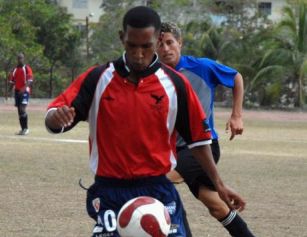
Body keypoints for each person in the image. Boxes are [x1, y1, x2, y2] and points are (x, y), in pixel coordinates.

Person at [45, 6, 245, 237]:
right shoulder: (97, 78)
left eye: (146, 46)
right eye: (132, 46)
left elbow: (199, 140)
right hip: (110, 191)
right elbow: (55, 118)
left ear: (157, 39)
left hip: (159, 189)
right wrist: (56, 118)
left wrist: (219, 184)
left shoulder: (176, 84)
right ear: (122, 38)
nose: (139, 54)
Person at [157, 22, 255, 237]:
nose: (165, 49)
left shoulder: (201, 67)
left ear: (180, 43)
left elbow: (236, 77)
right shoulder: (154, 76)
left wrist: (236, 115)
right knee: (217, 207)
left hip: (203, 147)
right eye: (159, 44)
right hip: (173, 150)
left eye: (169, 42)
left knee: (158, 183)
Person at [8, 53, 33, 135]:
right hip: (17, 91)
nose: (20, 60)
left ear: (24, 59)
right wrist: (8, 91)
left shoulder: (27, 68)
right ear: (17, 59)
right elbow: (12, 82)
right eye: (19, 58)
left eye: (21, 58)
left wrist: (24, 89)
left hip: (25, 91)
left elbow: (29, 81)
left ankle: (26, 129)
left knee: (22, 109)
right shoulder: (15, 70)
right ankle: (22, 129)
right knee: (19, 111)